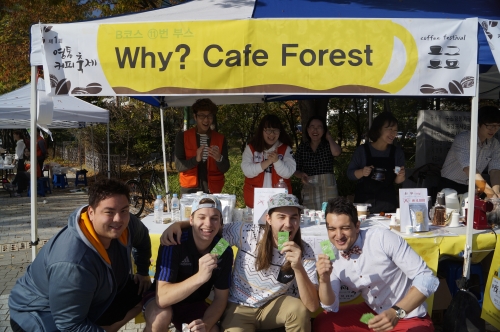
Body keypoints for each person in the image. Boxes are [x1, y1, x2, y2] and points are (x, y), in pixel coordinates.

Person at [9, 179, 152, 332]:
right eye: (109, 212)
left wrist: (143, 271)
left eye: (124, 210)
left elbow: (142, 238)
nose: (118, 219)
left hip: (95, 298)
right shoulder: (72, 262)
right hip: (39, 316)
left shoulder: (127, 224)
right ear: (91, 213)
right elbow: (70, 325)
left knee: (149, 290)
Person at [161, 193, 320, 332]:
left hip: (274, 306)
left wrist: (298, 267)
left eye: (294, 217)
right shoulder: (247, 233)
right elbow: (211, 229)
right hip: (238, 306)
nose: (288, 224)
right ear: (268, 219)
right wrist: (179, 224)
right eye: (281, 217)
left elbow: (312, 306)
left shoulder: (304, 252)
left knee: (299, 310)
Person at [313, 197, 439, 332]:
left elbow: (427, 278)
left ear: (357, 226)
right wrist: (325, 280)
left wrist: (396, 312)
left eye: (345, 228)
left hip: (406, 316)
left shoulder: (381, 237)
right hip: (370, 316)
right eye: (332, 229)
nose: (338, 236)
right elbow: (331, 307)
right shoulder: (330, 253)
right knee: (323, 323)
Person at [143, 195, 233, 332]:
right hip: (160, 299)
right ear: (191, 220)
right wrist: (199, 277)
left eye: (214, 218)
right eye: (201, 217)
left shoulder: (222, 248)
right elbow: (162, 299)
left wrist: (206, 325)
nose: (208, 224)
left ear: (221, 222)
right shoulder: (174, 241)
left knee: (212, 330)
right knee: (160, 317)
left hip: (194, 303)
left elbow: (221, 299)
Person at [347, 111, 406, 213]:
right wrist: (362, 172)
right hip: (364, 204)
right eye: (390, 129)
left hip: (388, 203)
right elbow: (350, 174)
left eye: (395, 130)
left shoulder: (397, 153)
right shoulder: (362, 150)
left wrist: (400, 176)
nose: (393, 133)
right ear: (378, 129)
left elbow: (398, 181)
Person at [441, 105, 500, 197]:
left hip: (474, 186)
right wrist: (489, 192)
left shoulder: (494, 144)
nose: (493, 129)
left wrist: (496, 193)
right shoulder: (464, 139)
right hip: (450, 185)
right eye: (489, 126)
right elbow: (469, 168)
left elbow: (495, 170)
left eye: (497, 126)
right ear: (478, 123)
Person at [175, 98, 230, 194]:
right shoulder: (182, 137)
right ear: (195, 117)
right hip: (189, 191)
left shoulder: (220, 138)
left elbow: (225, 168)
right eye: (202, 116)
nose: (206, 120)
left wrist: (219, 159)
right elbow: (179, 166)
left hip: (213, 190)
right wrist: (196, 159)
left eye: (209, 116)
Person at [241, 114, 296, 207]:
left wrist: (277, 161)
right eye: (268, 130)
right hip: (255, 202)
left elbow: (288, 173)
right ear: (261, 131)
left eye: (275, 130)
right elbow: (247, 171)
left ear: (280, 132)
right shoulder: (251, 148)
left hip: (279, 202)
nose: (272, 134)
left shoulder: (286, 149)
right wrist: (268, 162)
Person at [294, 116, 341, 210]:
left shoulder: (328, 145)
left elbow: (336, 152)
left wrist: (329, 137)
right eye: (312, 127)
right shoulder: (302, 147)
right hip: (309, 186)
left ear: (324, 130)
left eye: (319, 127)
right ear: (307, 129)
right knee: (310, 217)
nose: (315, 130)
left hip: (328, 187)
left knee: (331, 214)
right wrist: (301, 175)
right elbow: (295, 170)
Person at [8, 131, 26, 196]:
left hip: (20, 161)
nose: (14, 136)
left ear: (18, 135)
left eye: (15, 135)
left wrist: (14, 162)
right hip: (20, 160)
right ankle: (18, 187)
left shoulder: (20, 143)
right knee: (20, 175)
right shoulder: (20, 143)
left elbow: (18, 154)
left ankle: (19, 190)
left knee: (20, 175)